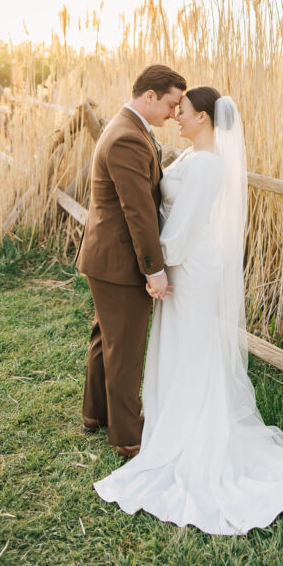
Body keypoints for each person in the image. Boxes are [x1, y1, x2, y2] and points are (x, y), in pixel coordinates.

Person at [93, 86, 283, 535]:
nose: (176, 118)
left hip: (190, 264)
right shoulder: (188, 157)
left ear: (203, 118)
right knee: (179, 346)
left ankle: (190, 430)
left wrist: (154, 267)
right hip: (178, 263)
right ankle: (171, 422)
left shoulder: (207, 166)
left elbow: (181, 230)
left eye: (182, 112)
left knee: (192, 348)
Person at [76, 63, 187, 458]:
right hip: (119, 260)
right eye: (172, 104)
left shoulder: (128, 127)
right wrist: (154, 271)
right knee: (124, 347)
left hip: (106, 256)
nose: (175, 113)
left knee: (106, 337)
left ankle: (95, 414)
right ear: (150, 96)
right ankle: (127, 437)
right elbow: (138, 212)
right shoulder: (127, 137)